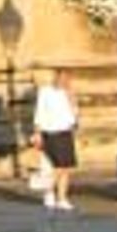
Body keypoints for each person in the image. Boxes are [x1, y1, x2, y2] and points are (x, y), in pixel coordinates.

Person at [31, 67, 79, 212]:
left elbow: (75, 114)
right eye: (62, 78)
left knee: (66, 168)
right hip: (51, 132)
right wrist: (37, 133)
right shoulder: (45, 92)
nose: (64, 81)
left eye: (67, 79)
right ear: (56, 77)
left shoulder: (68, 93)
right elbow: (39, 113)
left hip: (66, 132)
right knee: (57, 167)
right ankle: (49, 191)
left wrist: (72, 98)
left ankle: (62, 198)